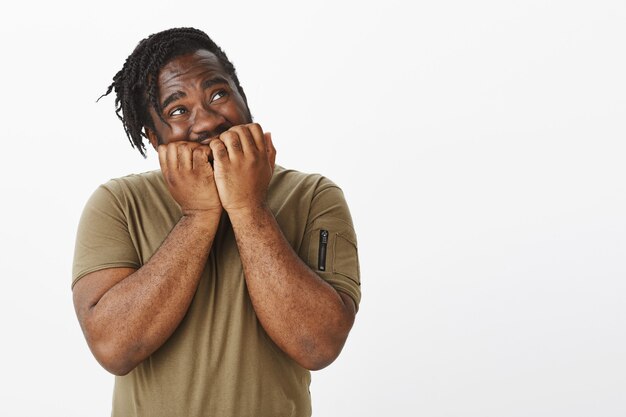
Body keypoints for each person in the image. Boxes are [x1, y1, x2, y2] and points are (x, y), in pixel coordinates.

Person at [72, 27, 361, 417]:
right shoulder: (118, 204)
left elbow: (318, 346)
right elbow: (114, 349)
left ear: (244, 99)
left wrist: (247, 208)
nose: (207, 121)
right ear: (153, 138)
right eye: (178, 110)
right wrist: (198, 215)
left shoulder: (314, 196)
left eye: (218, 94)